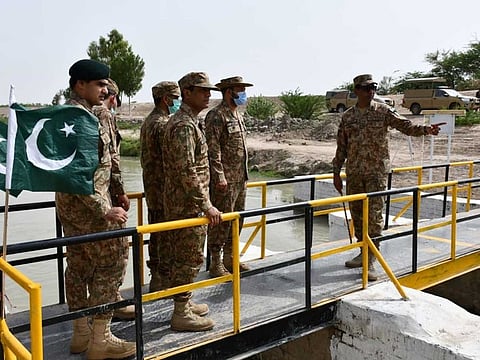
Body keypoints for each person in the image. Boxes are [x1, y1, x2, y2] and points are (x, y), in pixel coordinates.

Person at [55, 59, 135, 359]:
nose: (105, 90)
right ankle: (101, 340)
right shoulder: (81, 119)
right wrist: (105, 208)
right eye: (100, 85)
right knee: (113, 261)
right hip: (90, 210)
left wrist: (115, 192)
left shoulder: (72, 115)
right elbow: (79, 172)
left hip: (72, 210)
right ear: (80, 85)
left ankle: (81, 334)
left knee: (78, 267)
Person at [332, 74, 443, 282]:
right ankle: (362, 253)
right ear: (356, 90)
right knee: (357, 215)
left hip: (376, 174)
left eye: (373, 87)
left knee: (374, 216)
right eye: (366, 88)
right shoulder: (348, 117)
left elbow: (406, 126)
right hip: (355, 173)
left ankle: (372, 260)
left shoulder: (383, 111)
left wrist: (426, 130)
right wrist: (336, 173)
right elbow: (342, 147)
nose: (371, 91)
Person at [162, 72, 222, 332]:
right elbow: (187, 170)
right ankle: (180, 312)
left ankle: (184, 302)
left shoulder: (190, 122)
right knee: (189, 257)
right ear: (187, 92)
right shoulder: (184, 125)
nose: (208, 95)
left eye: (209, 91)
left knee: (187, 257)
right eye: (202, 90)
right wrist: (206, 204)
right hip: (187, 206)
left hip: (187, 203)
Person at [93, 78, 134, 321]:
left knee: (82, 262)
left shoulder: (78, 113)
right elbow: (112, 161)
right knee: (115, 253)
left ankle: (83, 326)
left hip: (82, 202)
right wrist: (120, 192)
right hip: (102, 198)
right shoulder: (104, 115)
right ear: (113, 97)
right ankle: (106, 313)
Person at [205, 76, 253, 277]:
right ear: (228, 92)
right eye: (239, 90)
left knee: (237, 219)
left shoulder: (237, 115)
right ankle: (215, 262)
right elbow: (212, 150)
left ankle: (230, 257)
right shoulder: (216, 116)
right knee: (221, 221)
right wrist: (219, 177)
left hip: (240, 178)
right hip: (224, 181)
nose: (243, 94)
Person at [140, 81, 181, 292]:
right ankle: (163, 279)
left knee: (157, 234)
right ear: (166, 99)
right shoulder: (162, 124)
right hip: (164, 190)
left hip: (153, 188)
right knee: (165, 236)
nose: (179, 101)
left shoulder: (150, 121)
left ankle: (158, 276)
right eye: (176, 97)